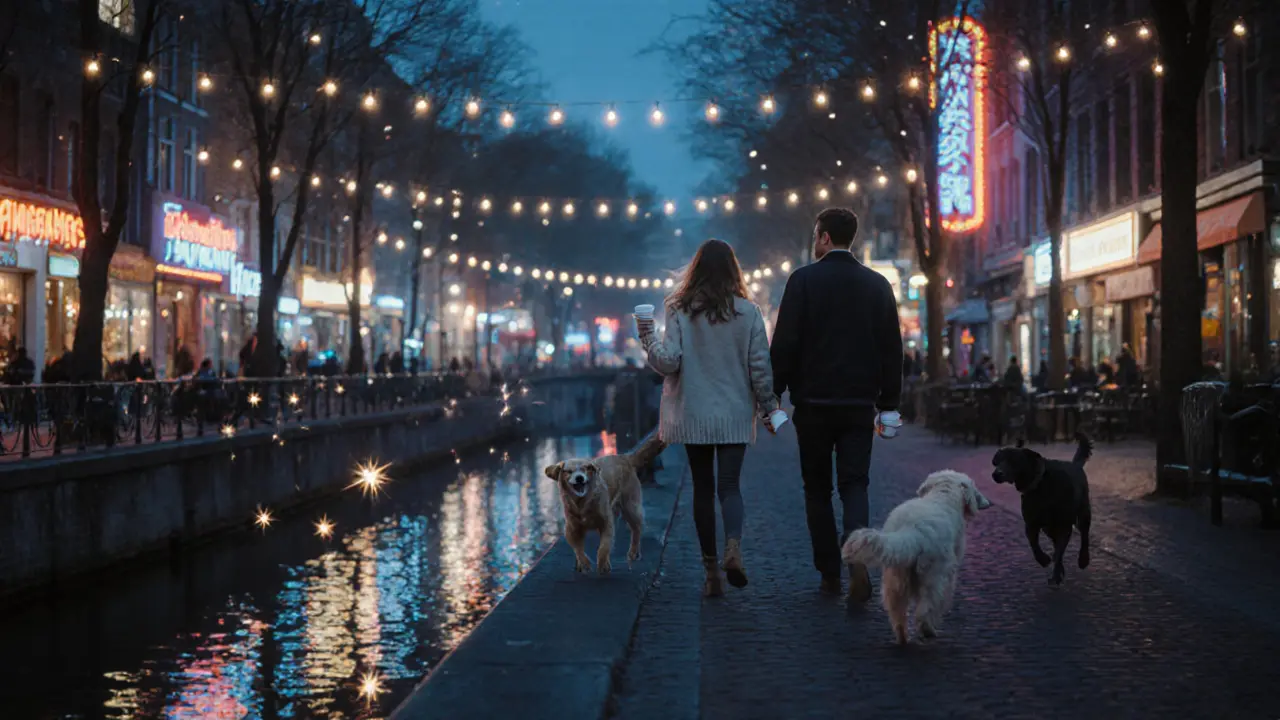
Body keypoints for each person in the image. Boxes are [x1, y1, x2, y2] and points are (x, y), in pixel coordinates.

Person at [770, 207, 903, 601]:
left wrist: (773, 396)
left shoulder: (803, 281)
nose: (814, 242)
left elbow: (786, 343)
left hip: (812, 404)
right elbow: (891, 350)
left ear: (825, 237)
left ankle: (829, 572)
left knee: (816, 490)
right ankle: (858, 558)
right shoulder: (877, 285)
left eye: (816, 235)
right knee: (855, 485)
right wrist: (889, 403)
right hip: (859, 404)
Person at [638, 238, 779, 598]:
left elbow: (669, 362)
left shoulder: (679, 309)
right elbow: (759, 366)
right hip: (733, 413)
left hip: (694, 413)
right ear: (734, 271)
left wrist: (647, 336)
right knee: (729, 486)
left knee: (703, 489)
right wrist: (768, 407)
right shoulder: (748, 312)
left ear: (695, 270)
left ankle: (711, 572)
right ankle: (734, 546)